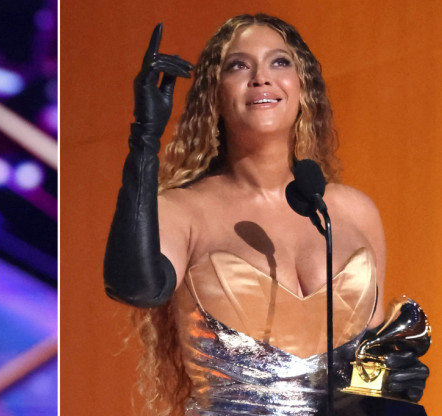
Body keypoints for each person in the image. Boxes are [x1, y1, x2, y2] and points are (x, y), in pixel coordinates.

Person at [103, 14, 428, 415]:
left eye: (280, 62)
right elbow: (135, 288)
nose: (261, 77)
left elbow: (372, 363)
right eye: (239, 65)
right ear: (215, 96)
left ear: (302, 86)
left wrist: (390, 391)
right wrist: (143, 142)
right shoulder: (181, 210)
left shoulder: (352, 210)